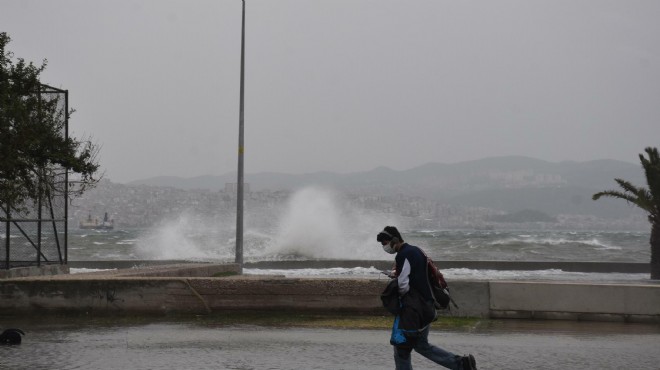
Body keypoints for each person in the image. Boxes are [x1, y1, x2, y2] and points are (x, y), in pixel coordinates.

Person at [377, 226, 477, 370]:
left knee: (401, 348)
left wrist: (397, 294)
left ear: (395, 240)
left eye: (385, 243)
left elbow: (403, 284)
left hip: (414, 310)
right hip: (426, 306)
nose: (384, 246)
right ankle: (461, 364)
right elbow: (418, 274)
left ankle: (461, 364)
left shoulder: (403, 254)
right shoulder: (417, 250)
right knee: (421, 345)